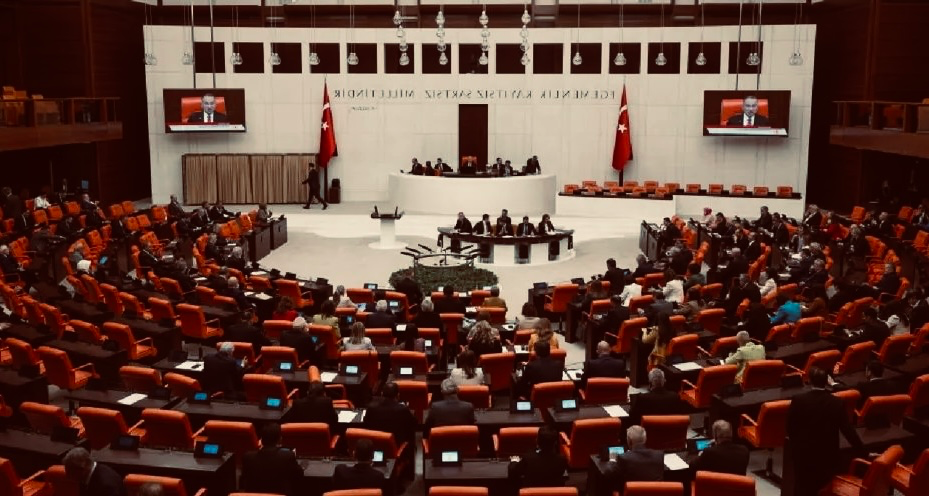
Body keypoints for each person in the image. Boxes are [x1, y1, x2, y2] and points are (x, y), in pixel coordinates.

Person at [787, 367, 864, 496]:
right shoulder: (837, 403)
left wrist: (795, 447)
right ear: (827, 382)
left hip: (803, 454)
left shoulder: (798, 400)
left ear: (810, 381)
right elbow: (847, 430)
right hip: (828, 455)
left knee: (802, 487)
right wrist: (863, 451)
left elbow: (790, 427)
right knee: (824, 488)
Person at [239, 423, 304, 496]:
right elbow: (299, 475)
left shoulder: (247, 457)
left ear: (261, 440)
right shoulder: (288, 456)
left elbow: (243, 480)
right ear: (280, 439)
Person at [605, 425, 664, 490]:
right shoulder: (659, 455)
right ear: (645, 439)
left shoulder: (624, 458)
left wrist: (612, 459)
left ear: (629, 440)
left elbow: (608, 473)